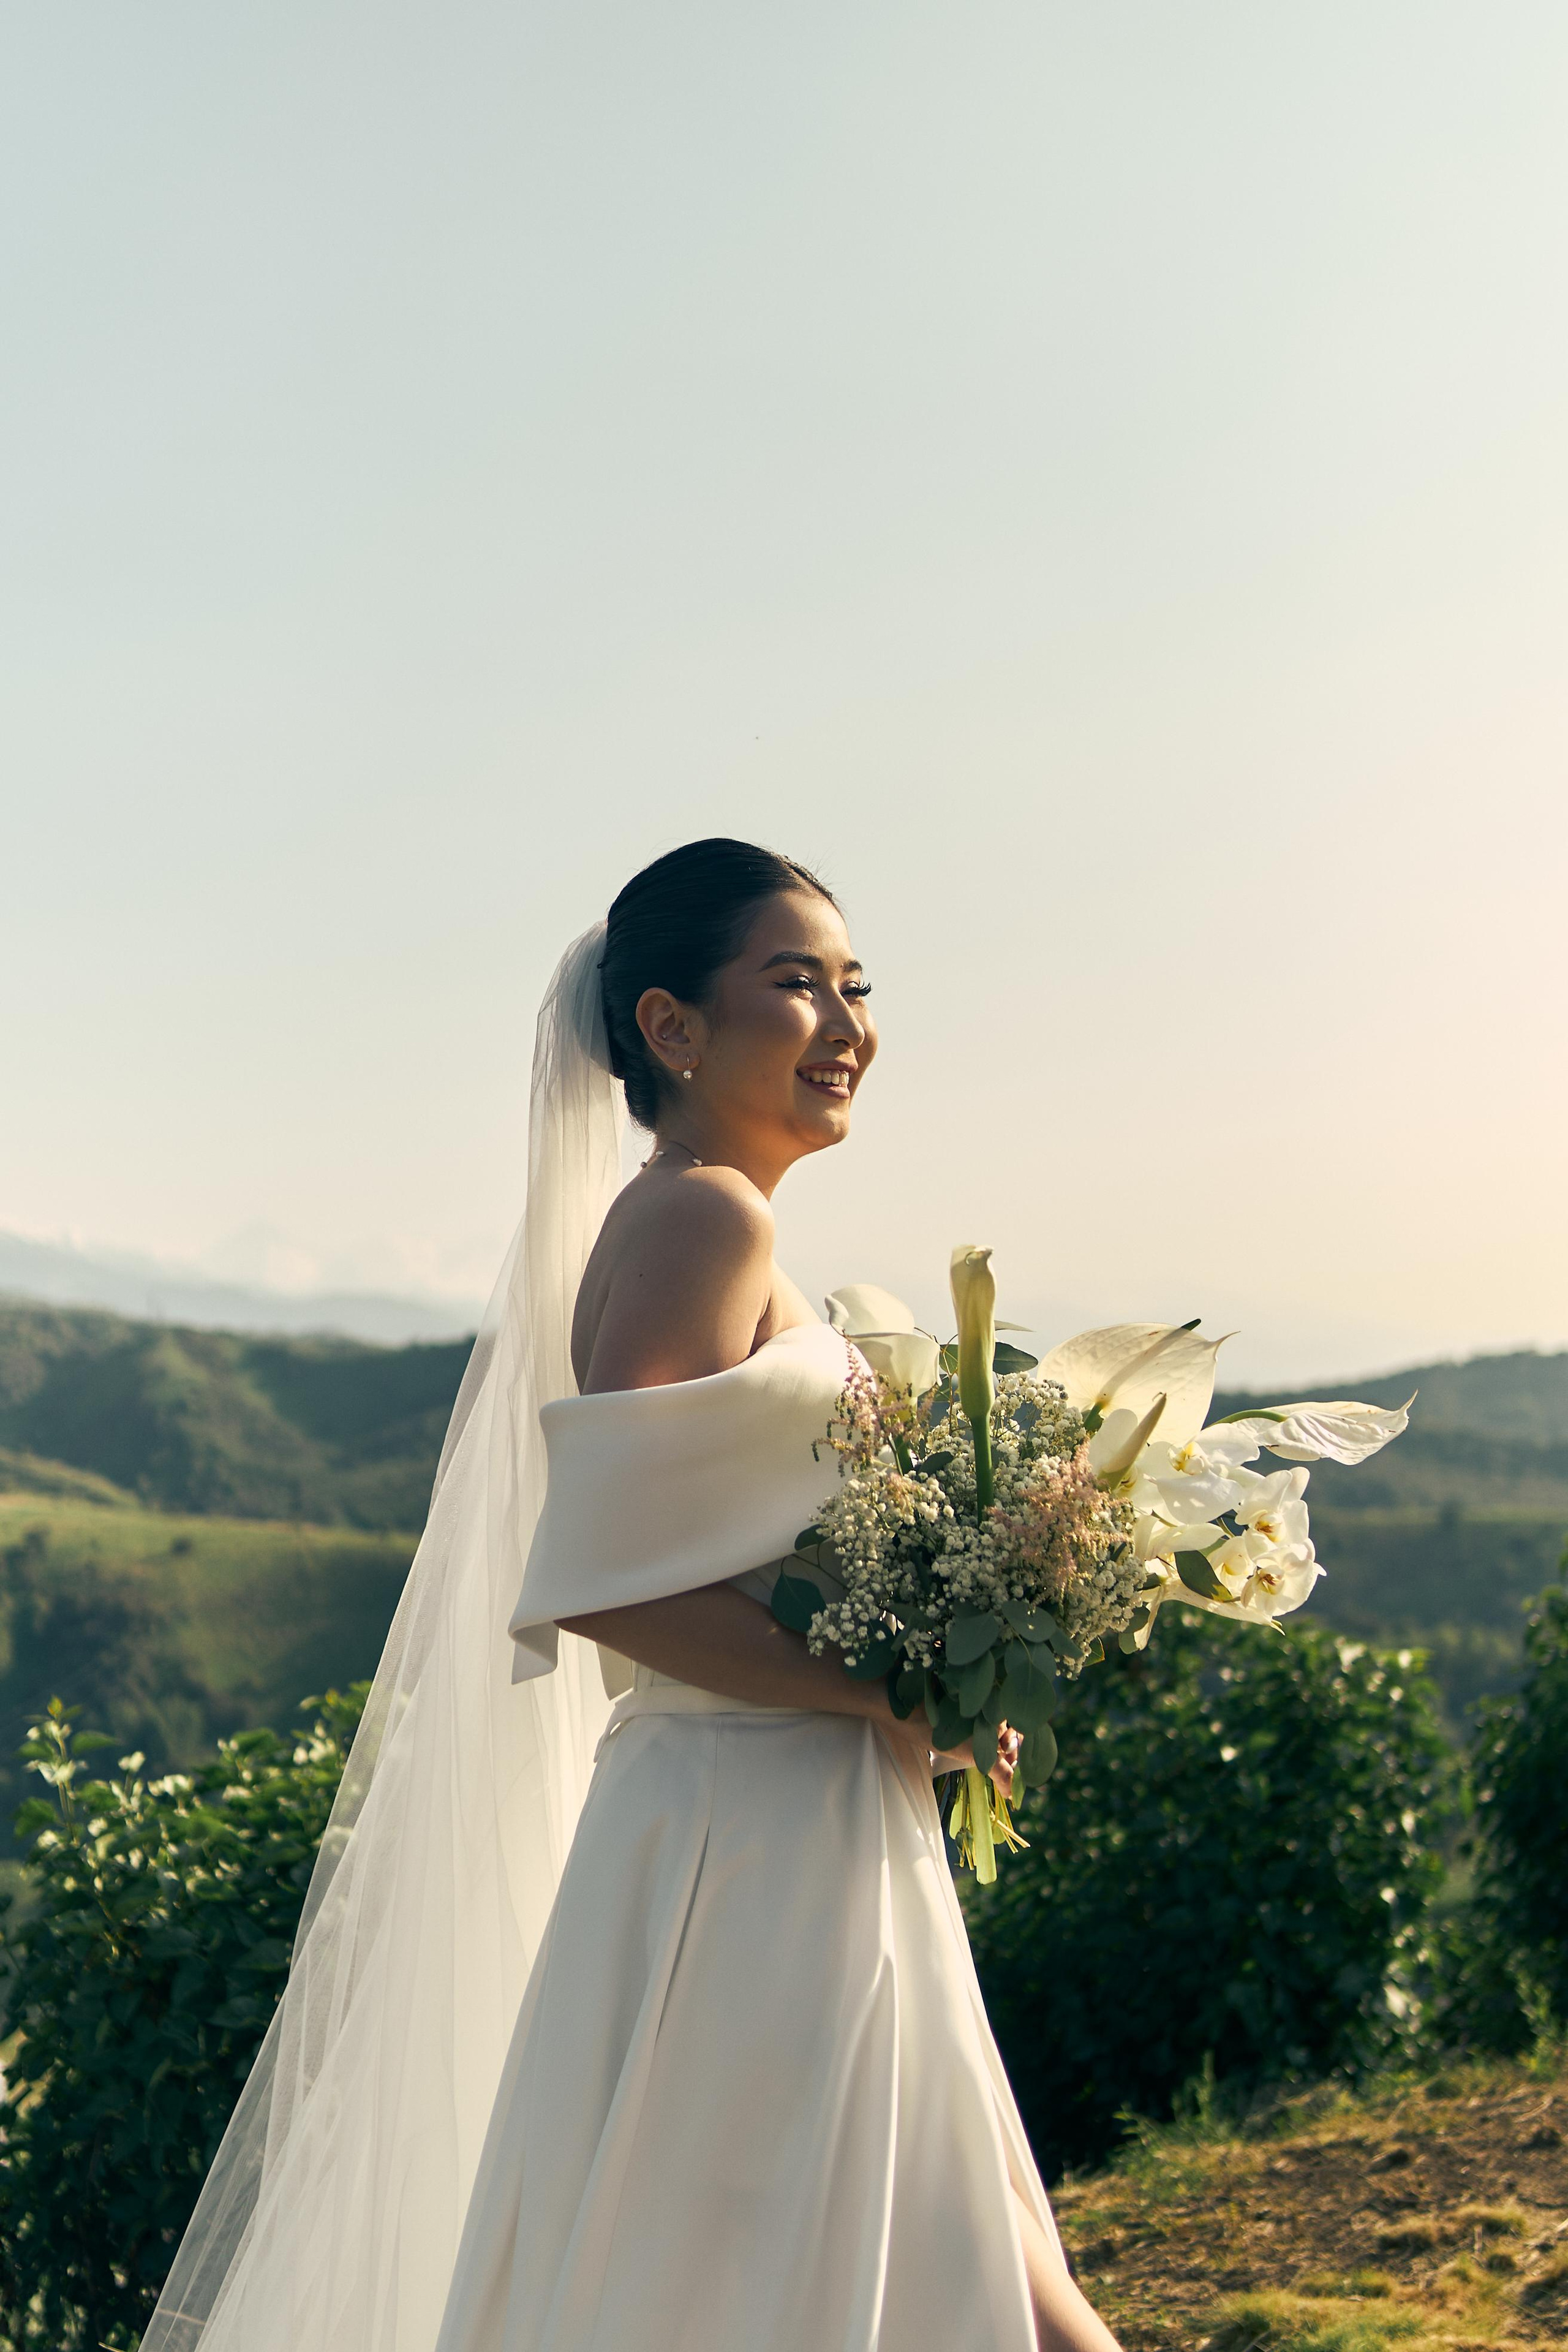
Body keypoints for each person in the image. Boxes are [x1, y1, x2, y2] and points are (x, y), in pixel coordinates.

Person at [144, 839, 1121, 2352]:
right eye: (793, 986)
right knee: (864, 2277)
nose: (847, 1026)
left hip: (804, 1820)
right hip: (745, 1851)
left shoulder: (719, 1221)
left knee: (979, 2261)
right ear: (669, 1028)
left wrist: (932, 1697)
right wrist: (885, 1690)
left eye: (855, 987)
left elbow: (730, 1567)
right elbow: (605, 1592)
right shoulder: (700, 1220)